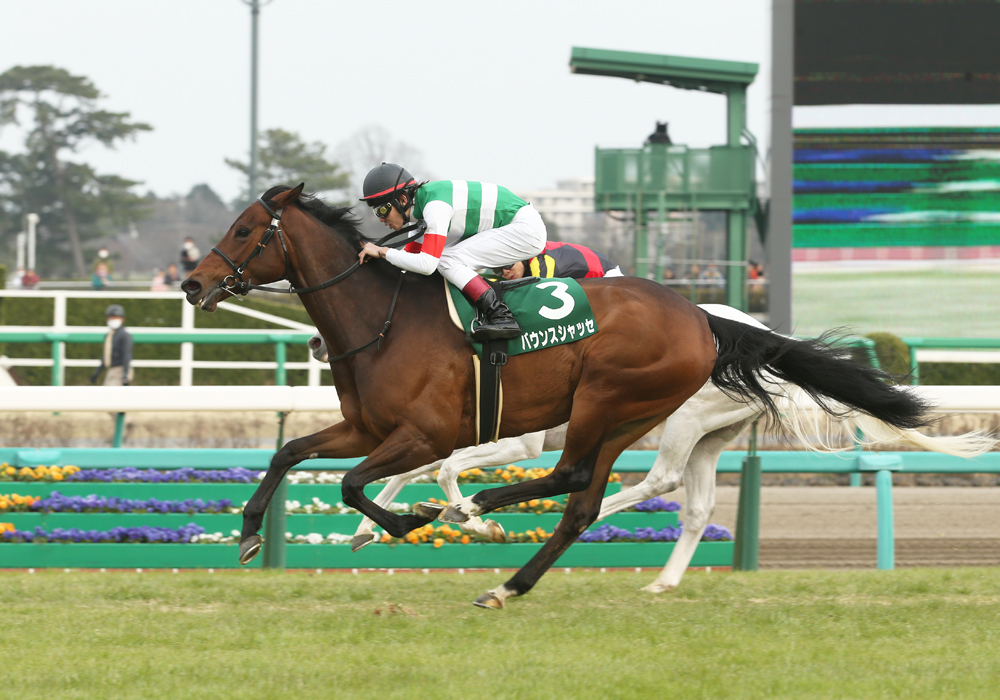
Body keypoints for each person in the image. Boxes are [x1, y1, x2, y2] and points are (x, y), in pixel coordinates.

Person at [357, 163, 546, 341]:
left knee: (445, 260)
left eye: (382, 210)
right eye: (376, 212)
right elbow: (409, 260)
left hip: (526, 229)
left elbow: (427, 265)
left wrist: (382, 251)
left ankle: (501, 316)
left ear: (403, 200)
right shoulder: (422, 208)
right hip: (514, 226)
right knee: (445, 258)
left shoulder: (435, 207)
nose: (381, 218)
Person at [496, 241, 623, 281]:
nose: (505, 272)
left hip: (607, 277)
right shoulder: (533, 255)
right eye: (497, 269)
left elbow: (538, 296)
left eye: (507, 264)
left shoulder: (538, 261)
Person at [90, 305, 133, 387]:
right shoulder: (109, 335)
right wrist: (97, 372)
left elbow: (126, 355)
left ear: (122, 319)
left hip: (121, 369)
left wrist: (125, 375)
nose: (113, 320)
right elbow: (106, 355)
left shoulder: (125, 335)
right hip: (111, 370)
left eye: (116, 317)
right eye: (111, 317)